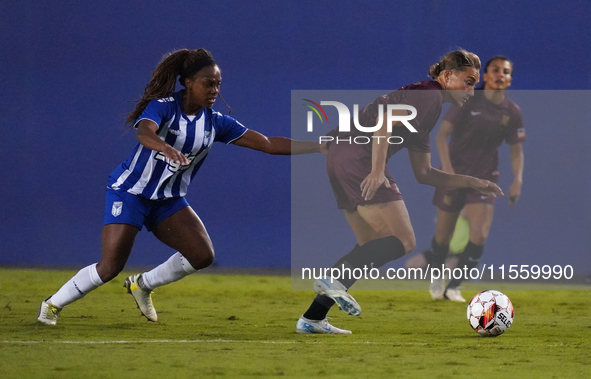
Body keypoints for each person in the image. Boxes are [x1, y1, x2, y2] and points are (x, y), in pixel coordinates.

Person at [37, 48, 325, 325]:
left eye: (218, 84)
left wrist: (318, 146)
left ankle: (142, 285)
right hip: (131, 192)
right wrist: (165, 148)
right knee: (110, 266)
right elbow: (143, 132)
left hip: (168, 200)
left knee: (202, 256)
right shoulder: (163, 107)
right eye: (208, 84)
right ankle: (52, 304)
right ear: (188, 83)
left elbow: (268, 144)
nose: (215, 90)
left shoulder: (216, 122)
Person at [296, 49, 504, 335]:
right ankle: (332, 279)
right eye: (468, 82)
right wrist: (377, 170)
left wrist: (470, 181)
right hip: (360, 157)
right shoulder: (429, 97)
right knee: (403, 240)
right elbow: (384, 126)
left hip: (339, 157)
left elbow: (425, 173)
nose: (472, 90)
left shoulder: (425, 102)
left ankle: (313, 318)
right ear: (446, 75)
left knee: (370, 244)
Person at [416, 55, 525, 302]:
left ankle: (453, 286)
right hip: (455, 175)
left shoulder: (512, 112)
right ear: (485, 76)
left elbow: (516, 149)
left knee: (480, 235)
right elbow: (442, 136)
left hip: (485, 176)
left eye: (506, 72)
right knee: (443, 236)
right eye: (495, 70)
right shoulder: (467, 101)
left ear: (509, 80)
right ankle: (437, 279)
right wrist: (449, 172)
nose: (501, 75)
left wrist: (517, 180)